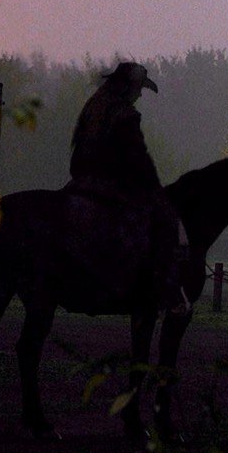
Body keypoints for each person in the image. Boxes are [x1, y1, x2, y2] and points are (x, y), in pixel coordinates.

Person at [68, 62, 189, 315]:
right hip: (108, 183)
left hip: (82, 179)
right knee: (164, 220)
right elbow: (139, 158)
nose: (141, 94)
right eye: (139, 88)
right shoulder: (125, 115)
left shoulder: (94, 106)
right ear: (129, 88)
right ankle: (166, 290)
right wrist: (156, 190)